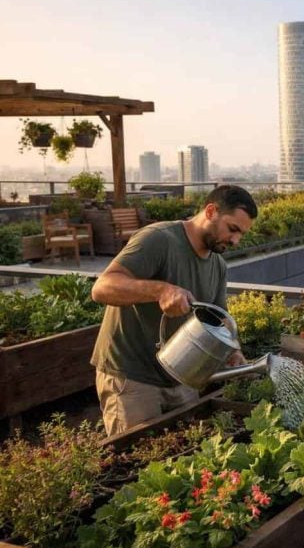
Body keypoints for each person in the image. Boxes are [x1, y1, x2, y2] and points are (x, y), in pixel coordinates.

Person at [91, 185, 258, 436]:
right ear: (211, 211)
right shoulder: (160, 239)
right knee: (137, 465)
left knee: (183, 460)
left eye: (241, 234)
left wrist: (232, 352)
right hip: (133, 377)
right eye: (232, 229)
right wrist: (161, 291)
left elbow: (218, 320)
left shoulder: (218, 265)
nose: (235, 240)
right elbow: (102, 288)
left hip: (182, 377)